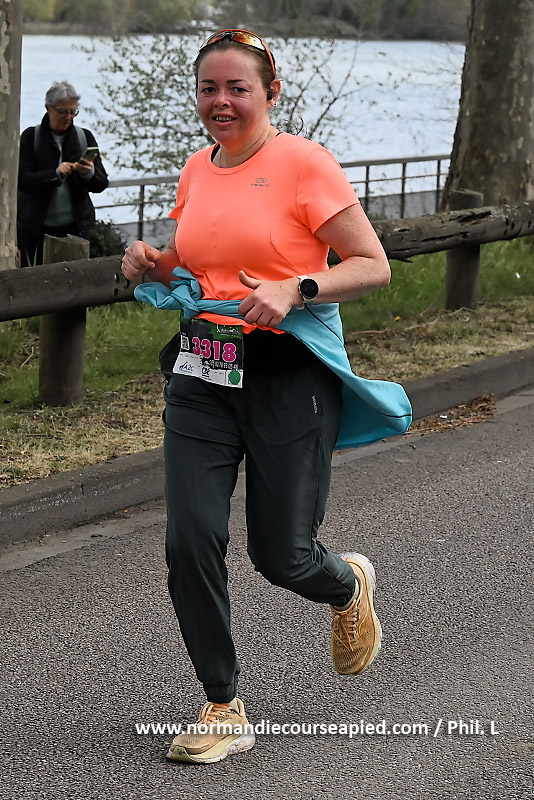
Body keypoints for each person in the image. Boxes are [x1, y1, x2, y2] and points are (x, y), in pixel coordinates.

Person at [121, 29, 411, 765]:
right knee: (190, 538)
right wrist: (152, 263)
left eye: (237, 88)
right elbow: (193, 263)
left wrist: (297, 287)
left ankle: (345, 586)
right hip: (204, 369)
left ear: (271, 93)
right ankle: (222, 704)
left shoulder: (304, 163)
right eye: (208, 89)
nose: (220, 102)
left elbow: (372, 266)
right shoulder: (197, 168)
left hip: (288, 376)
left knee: (282, 556)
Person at [17, 80, 108, 267]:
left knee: (75, 277)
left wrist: (89, 173)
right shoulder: (30, 137)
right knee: (35, 276)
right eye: (63, 111)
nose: (68, 117)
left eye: (73, 112)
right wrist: (55, 174)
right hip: (36, 228)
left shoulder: (84, 137)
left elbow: (101, 183)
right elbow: (22, 181)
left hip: (76, 229)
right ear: (48, 108)